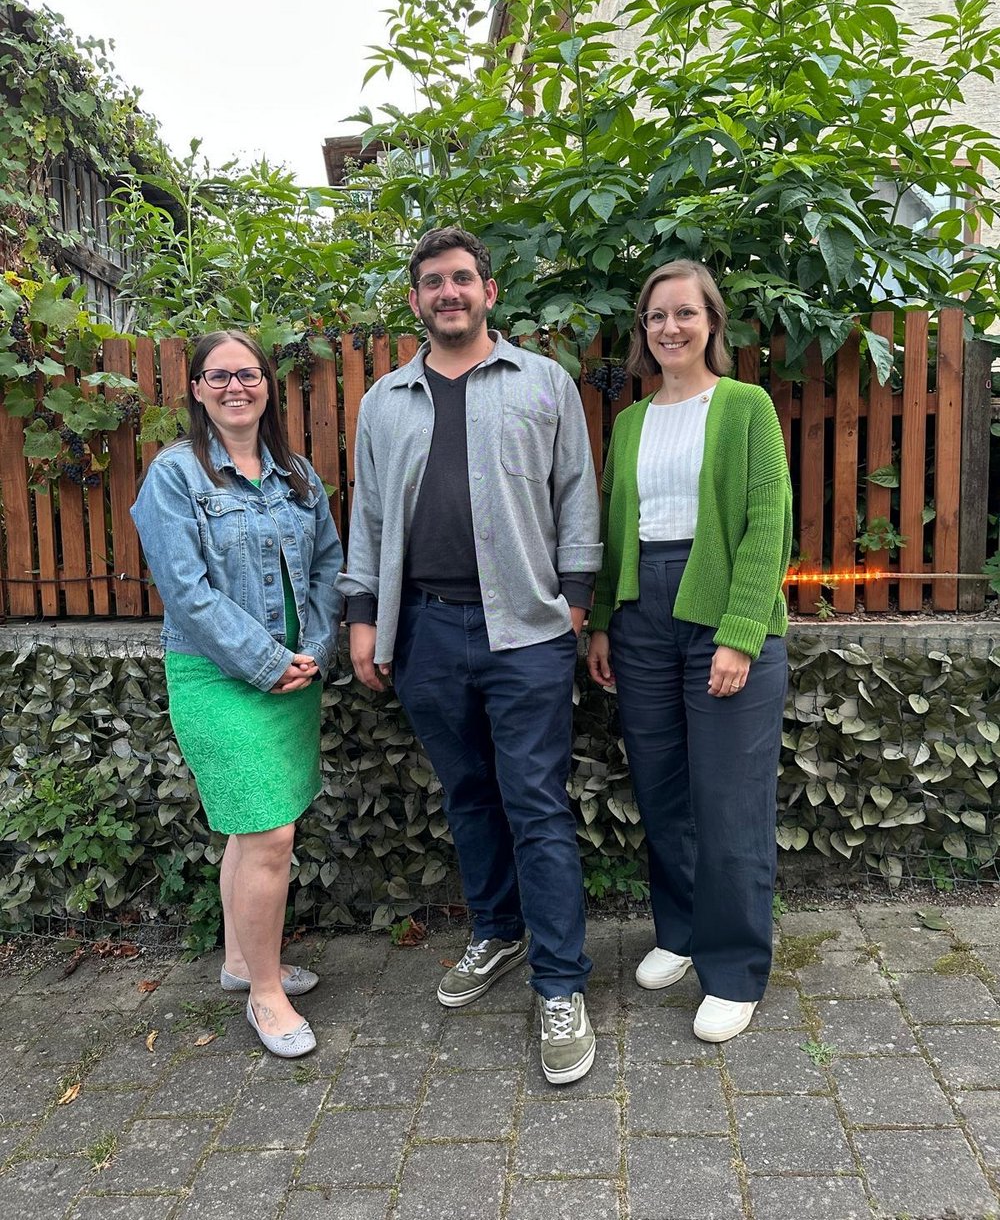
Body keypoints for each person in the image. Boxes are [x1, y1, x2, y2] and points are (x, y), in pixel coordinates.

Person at [338, 226, 602, 1084]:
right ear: (416, 299)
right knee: (469, 795)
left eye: (461, 278)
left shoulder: (545, 382)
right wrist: (364, 616)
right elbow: (369, 515)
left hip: (526, 631)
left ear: (489, 291)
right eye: (431, 281)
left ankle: (560, 984)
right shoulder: (384, 402)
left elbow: (577, 494)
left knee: (536, 803)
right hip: (425, 629)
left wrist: (574, 600)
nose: (447, 292)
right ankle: (498, 931)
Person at [586, 259, 791, 1044]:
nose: (669, 327)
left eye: (684, 313)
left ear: (711, 323)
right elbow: (615, 527)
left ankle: (734, 969)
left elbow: (768, 522)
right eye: (656, 316)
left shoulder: (745, 407)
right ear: (643, 331)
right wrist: (603, 619)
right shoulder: (632, 421)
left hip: (722, 609)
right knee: (663, 786)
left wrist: (740, 632)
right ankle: (680, 931)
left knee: (730, 797)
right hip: (641, 615)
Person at [131, 330, 343, 1059]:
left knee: (252, 831)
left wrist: (314, 651)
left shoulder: (297, 475)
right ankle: (266, 994)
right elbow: (186, 592)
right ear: (196, 388)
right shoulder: (174, 475)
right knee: (269, 834)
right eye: (218, 376)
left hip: (295, 675)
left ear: (266, 385)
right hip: (218, 675)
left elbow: (328, 566)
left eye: (247, 374)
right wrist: (265, 661)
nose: (234, 387)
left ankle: (239, 961)